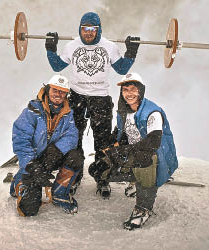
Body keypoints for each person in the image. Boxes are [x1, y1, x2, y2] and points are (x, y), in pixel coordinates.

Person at [44, 12, 140, 195]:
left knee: (103, 140)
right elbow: (57, 66)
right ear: (80, 29)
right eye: (84, 29)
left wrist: (131, 51)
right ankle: (75, 176)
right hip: (77, 97)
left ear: (98, 30)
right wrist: (50, 48)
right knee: (74, 137)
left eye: (92, 29)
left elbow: (121, 69)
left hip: (100, 98)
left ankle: (102, 178)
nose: (88, 33)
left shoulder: (109, 47)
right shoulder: (72, 46)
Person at [88, 72, 178, 230]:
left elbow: (153, 142)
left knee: (144, 158)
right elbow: (120, 133)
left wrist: (122, 152)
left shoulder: (152, 112)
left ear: (141, 91)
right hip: (134, 153)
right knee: (99, 169)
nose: (129, 93)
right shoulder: (124, 111)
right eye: (125, 90)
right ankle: (136, 181)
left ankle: (143, 208)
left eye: (133, 89)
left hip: (156, 156)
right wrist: (107, 152)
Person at [9, 75, 84, 216]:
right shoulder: (32, 111)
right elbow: (20, 139)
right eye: (55, 90)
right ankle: (18, 184)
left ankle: (59, 193)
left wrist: (54, 151)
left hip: (51, 157)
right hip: (33, 161)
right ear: (48, 90)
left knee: (76, 156)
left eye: (62, 91)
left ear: (66, 94)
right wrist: (31, 164)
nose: (58, 94)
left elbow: (72, 137)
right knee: (29, 209)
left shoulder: (68, 113)